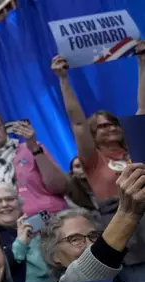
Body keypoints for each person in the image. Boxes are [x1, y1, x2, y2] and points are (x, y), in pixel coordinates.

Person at [51, 42, 145, 203]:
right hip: (118, 216)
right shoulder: (92, 158)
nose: (112, 128)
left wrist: (142, 62)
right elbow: (78, 123)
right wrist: (63, 79)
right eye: (103, 126)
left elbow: (143, 108)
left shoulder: (133, 149)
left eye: (114, 124)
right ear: (92, 132)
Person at [0, 111, 68, 216]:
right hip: (18, 227)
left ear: (5, 128)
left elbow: (60, 187)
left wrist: (34, 149)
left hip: (53, 216)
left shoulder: (32, 147)